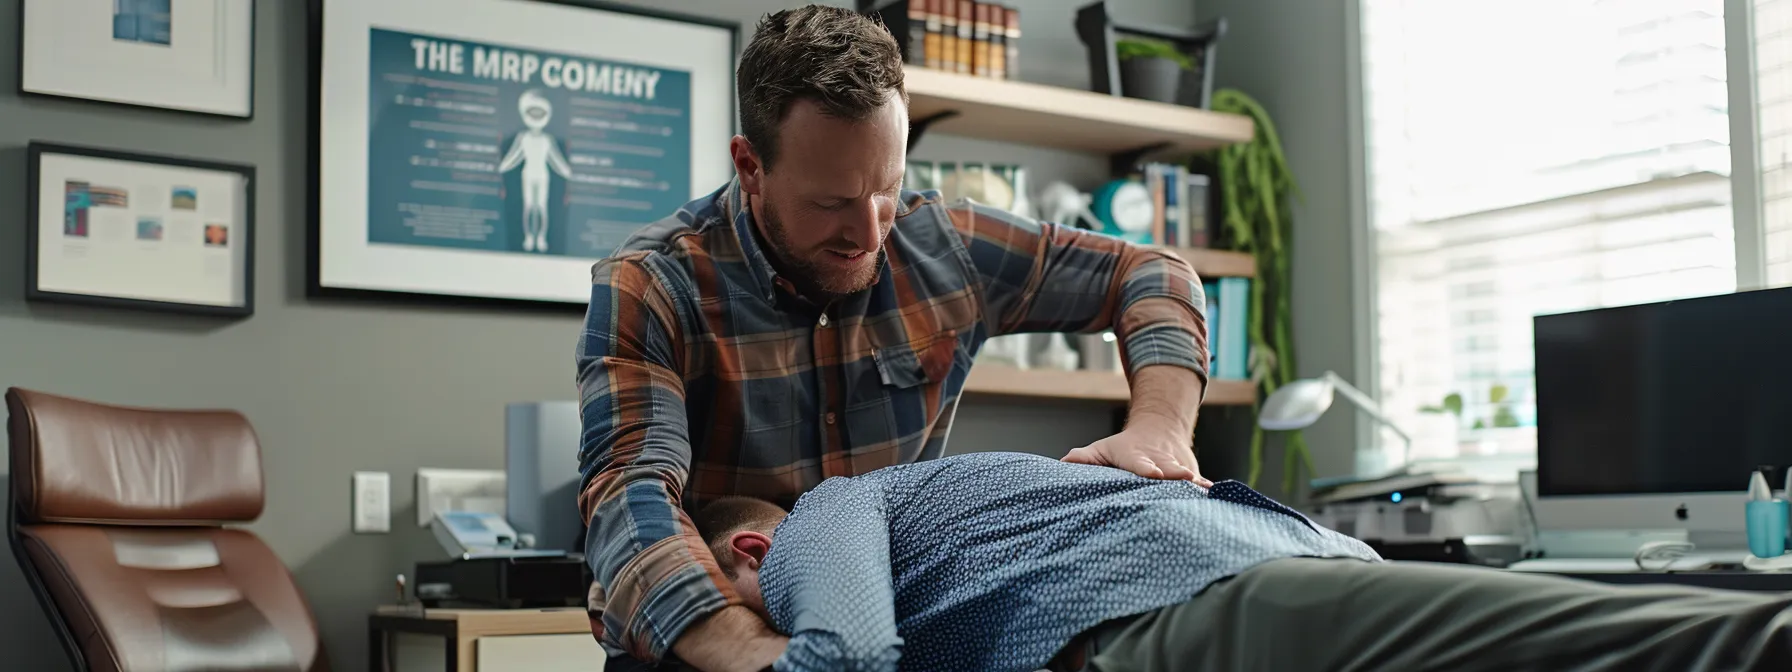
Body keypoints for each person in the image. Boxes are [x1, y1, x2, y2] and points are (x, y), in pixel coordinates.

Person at [576, 6, 1212, 671]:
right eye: (831, 202)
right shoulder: (654, 284)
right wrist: (759, 654)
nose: (870, 232)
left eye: (888, 188)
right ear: (750, 166)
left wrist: (1161, 431)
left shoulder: (946, 250)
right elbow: (630, 491)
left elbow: (1154, 275)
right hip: (712, 633)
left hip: (894, 634)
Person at [698, 451, 1792, 672]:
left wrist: (725, 641)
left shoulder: (821, 516)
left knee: (1703, 644)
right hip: (1285, 569)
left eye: (719, 591)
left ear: (749, 547)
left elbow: (845, 657)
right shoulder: (937, 496)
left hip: (1215, 616)